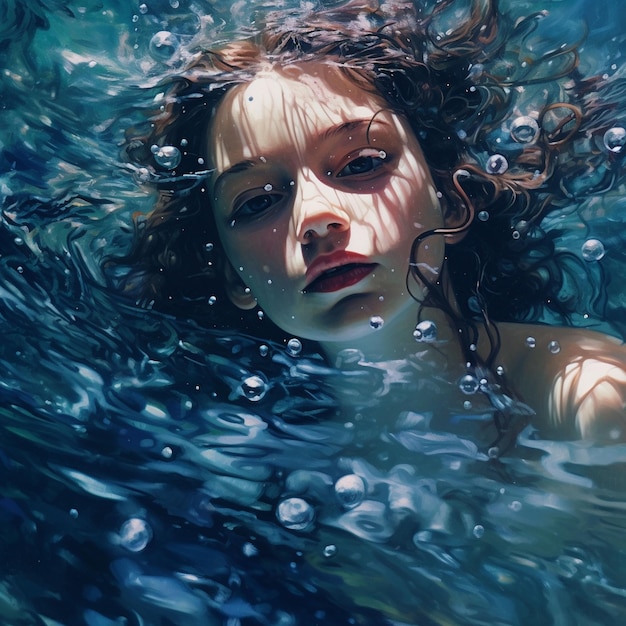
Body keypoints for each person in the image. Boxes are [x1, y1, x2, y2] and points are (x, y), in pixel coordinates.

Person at [116, 0, 626, 448]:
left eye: (361, 162)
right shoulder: (259, 453)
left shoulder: (590, 398)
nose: (314, 218)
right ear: (233, 275)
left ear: (450, 197)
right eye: (255, 203)